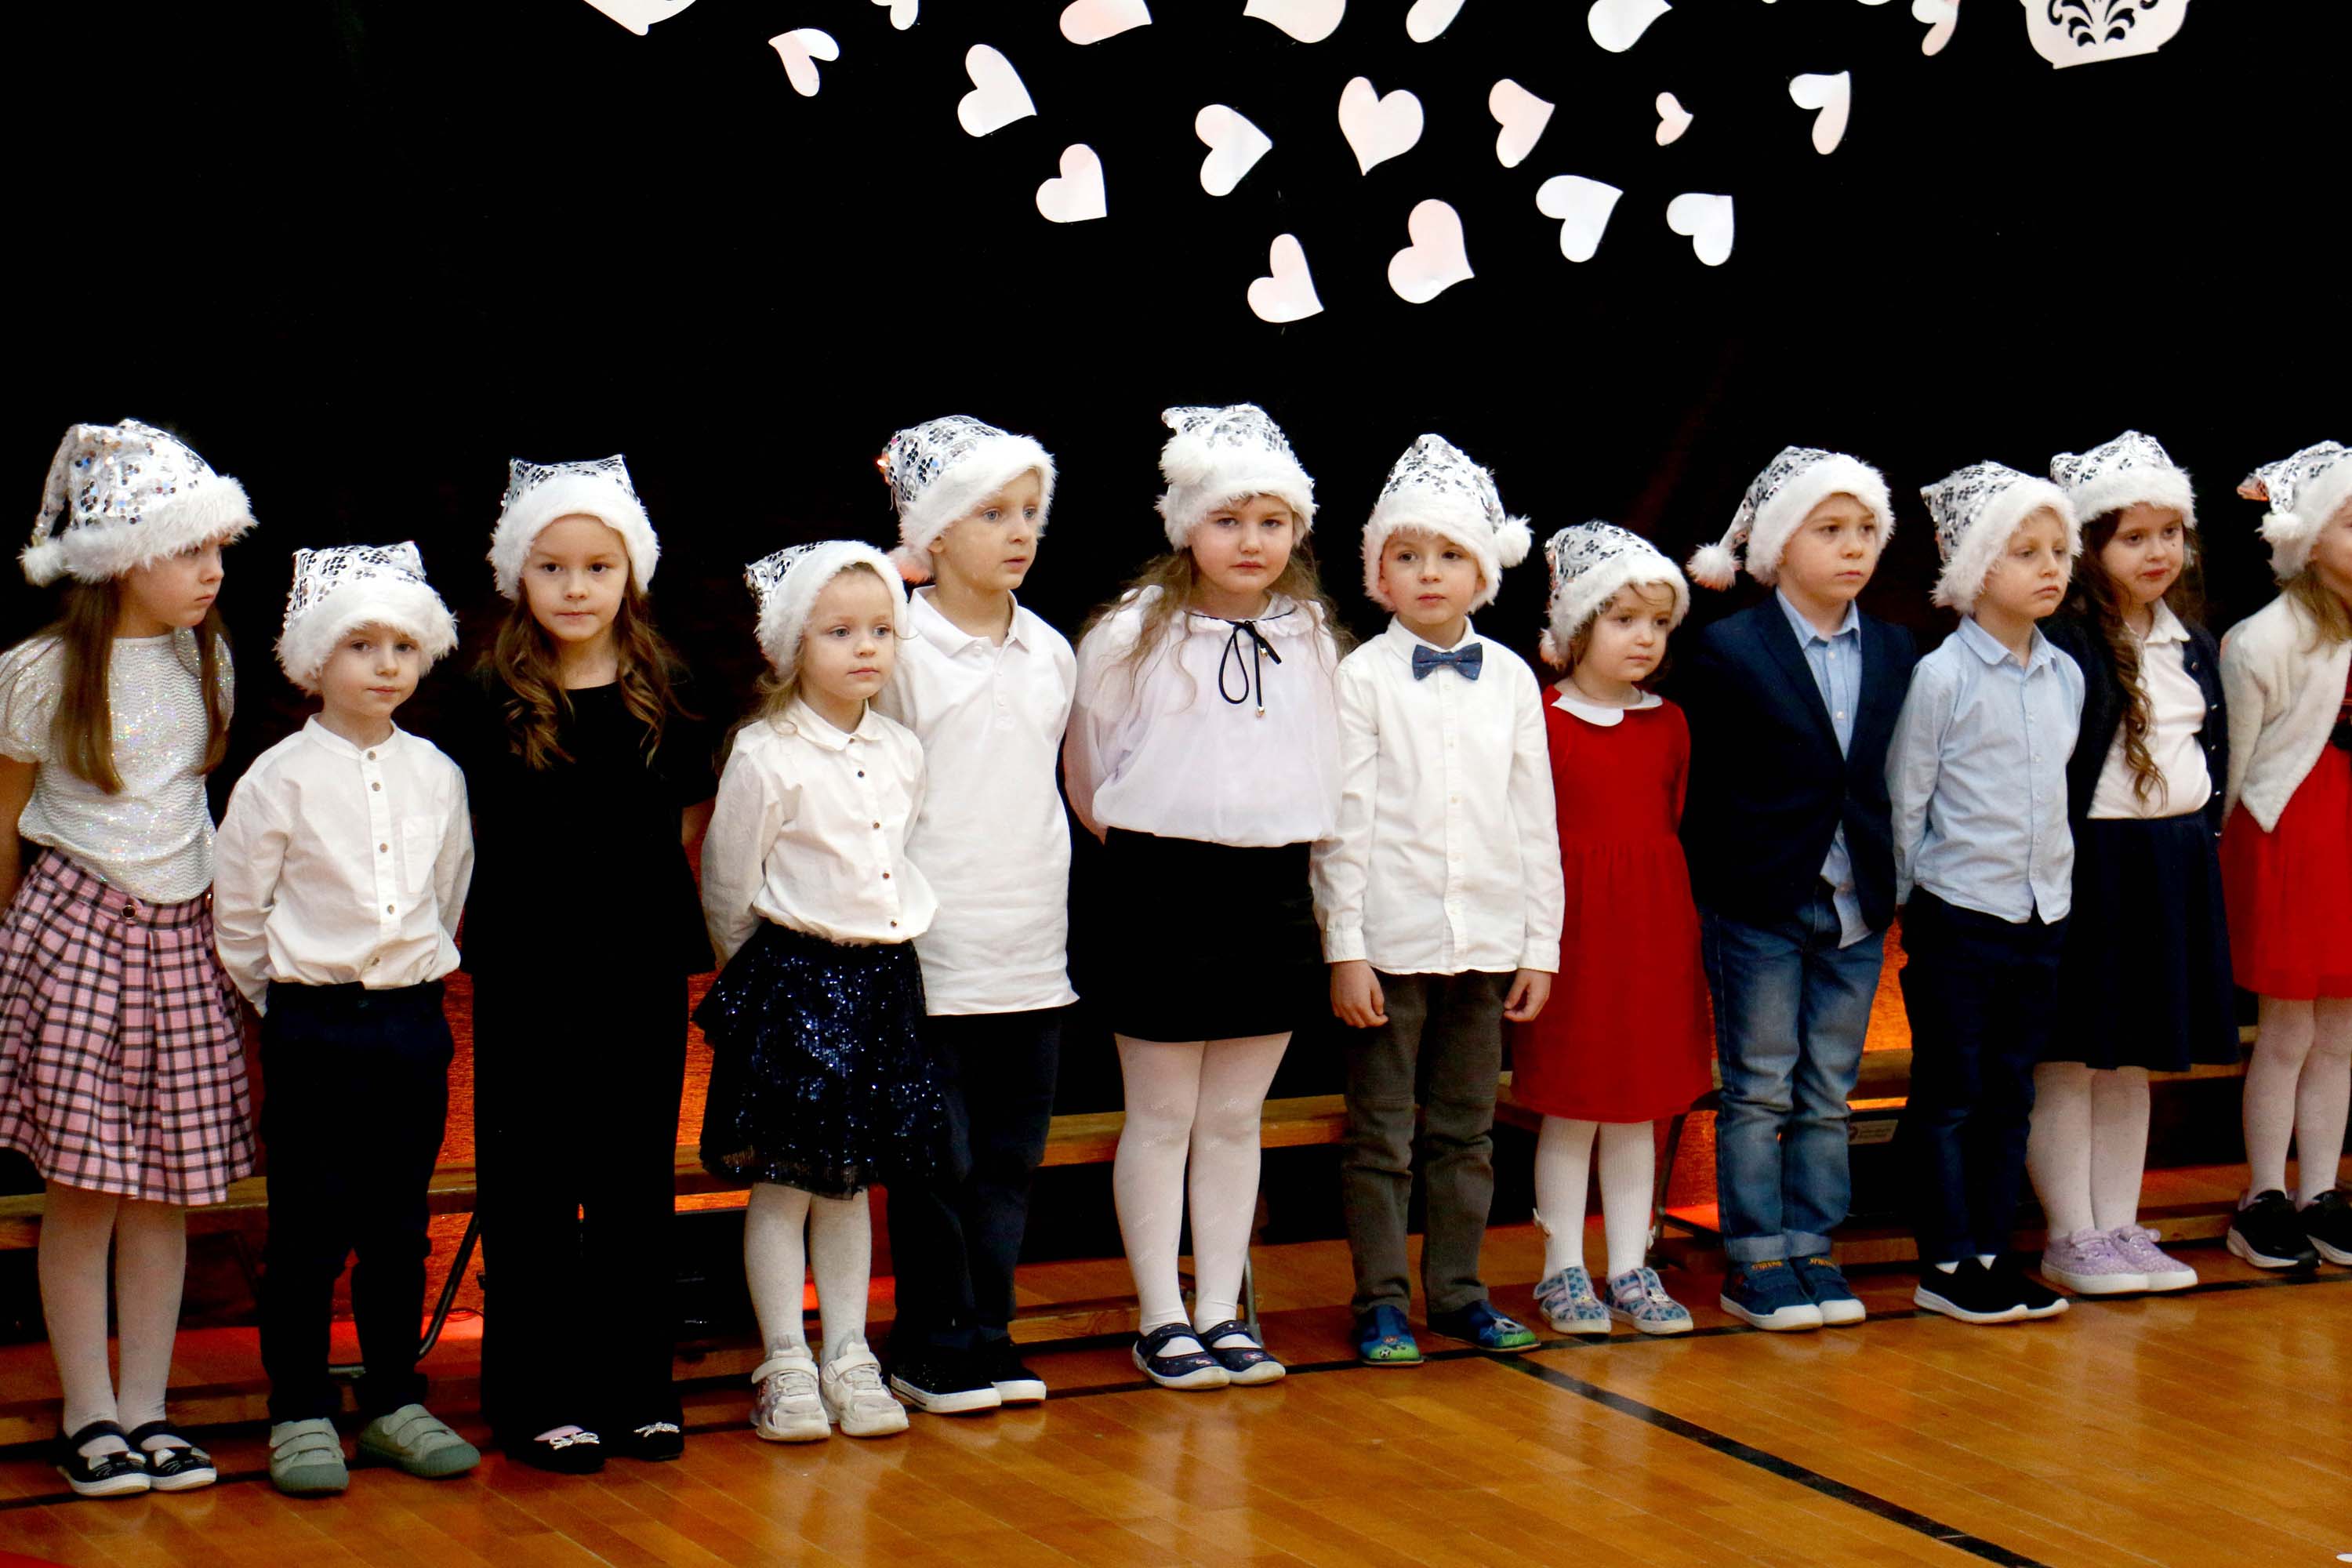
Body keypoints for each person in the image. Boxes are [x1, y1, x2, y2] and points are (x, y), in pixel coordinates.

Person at [441, 454, 717, 1471]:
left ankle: (638, 1387)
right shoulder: (486, 693)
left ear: (629, 572)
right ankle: (535, 1396)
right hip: (528, 966)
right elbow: (463, 827)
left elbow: (688, 818)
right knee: (531, 1183)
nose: (574, 588)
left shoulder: (667, 684)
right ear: (519, 574)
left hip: (637, 963)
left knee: (634, 1181)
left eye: (597, 567)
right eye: (551, 567)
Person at [0, 419, 255, 1497]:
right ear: (120, 559)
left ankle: (149, 1409)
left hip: (182, 938)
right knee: (84, 1189)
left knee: (165, 1192)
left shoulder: (208, 656)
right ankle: (88, 1413)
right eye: (188, 549)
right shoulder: (42, 669)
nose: (212, 570)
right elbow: (6, 817)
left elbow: (193, 799)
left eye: (218, 548)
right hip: (78, 933)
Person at [1065, 404, 1343, 1389]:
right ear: (1188, 525)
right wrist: (1160, 848)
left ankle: (1223, 1308)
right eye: (1229, 521)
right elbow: (1090, 773)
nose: (1251, 541)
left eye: (1272, 522)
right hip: (1161, 885)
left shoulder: (1310, 634)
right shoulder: (1131, 633)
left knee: (1234, 1116)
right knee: (1161, 1113)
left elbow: (1328, 768)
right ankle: (1162, 1315)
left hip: (1271, 891)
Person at [214, 542, 481, 1494]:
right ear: (313, 658)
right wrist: (289, 1007)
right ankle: (298, 1406)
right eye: (360, 644)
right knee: (309, 1228)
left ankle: (395, 1398)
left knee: (398, 1224)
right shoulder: (278, 777)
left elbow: (448, 891)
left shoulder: (438, 773)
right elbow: (239, 914)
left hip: (411, 1024)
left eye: (402, 645)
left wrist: (403, 984)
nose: (385, 664)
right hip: (313, 1027)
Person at [1312, 434, 1558, 1365]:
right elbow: (1343, 822)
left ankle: (1458, 1291)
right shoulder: (1362, 677)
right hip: (1392, 940)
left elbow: (1534, 818)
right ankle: (1380, 1299)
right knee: (1381, 1134)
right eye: (1407, 554)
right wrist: (1346, 946)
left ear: (1482, 570)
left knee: (1467, 1131)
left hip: (1486, 941)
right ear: (1378, 570)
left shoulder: (1513, 679)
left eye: (1450, 553)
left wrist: (1541, 945)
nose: (1428, 573)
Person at [699, 539, 949, 1441]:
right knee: (784, 1182)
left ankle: (849, 1350)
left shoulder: (901, 749)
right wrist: (763, 987)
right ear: (792, 644)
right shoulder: (766, 752)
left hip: (881, 981)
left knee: (848, 1184)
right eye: (839, 631)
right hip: (793, 983)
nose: (865, 646)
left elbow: (895, 856)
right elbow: (729, 884)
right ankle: (785, 1359)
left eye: (880, 628)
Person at [1680, 447, 1917, 1330]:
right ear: (1780, 546)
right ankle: (1756, 1258)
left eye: (1866, 530)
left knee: (1828, 1088)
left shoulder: (1894, 646)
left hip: (1856, 902)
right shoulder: (1732, 648)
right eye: (1830, 530)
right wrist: (1732, 888)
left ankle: (1814, 1244)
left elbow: (1890, 774)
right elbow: (1706, 790)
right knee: (1759, 1085)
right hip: (1762, 902)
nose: (1853, 547)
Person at [870, 416, 1078, 1414]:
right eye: (992, 512)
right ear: (936, 531)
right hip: (930, 947)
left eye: (1030, 511)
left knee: (1007, 1161)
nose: (1019, 531)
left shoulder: (1049, 650)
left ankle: (991, 1329)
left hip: (1030, 949)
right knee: (935, 1161)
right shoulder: (898, 648)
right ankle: (930, 1339)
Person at [2028, 433, 2232, 1294]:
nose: (2158, 552)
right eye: (2133, 537)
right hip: (2096, 864)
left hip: (2170, 863)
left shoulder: (2190, 641)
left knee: (2133, 1057)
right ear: (2090, 548)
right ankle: (2070, 1232)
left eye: (2170, 534)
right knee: (2073, 1054)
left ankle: (2119, 1223)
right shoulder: (2067, 644)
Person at [1888, 461, 2085, 1325]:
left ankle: (1994, 1253)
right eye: (2024, 552)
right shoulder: (1944, 676)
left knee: (2011, 1090)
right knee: (1950, 1091)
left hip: (2040, 914)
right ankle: (1943, 1260)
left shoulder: (2066, 673)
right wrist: (1913, 902)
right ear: (1975, 566)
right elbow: (1909, 796)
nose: (2049, 568)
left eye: (2059, 552)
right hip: (1960, 914)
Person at [1515, 524, 1712, 1338]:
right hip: (1575, 937)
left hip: (1653, 935)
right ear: (1577, 625)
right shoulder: (1543, 719)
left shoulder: (1670, 723)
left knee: (1641, 1107)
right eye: (1624, 619)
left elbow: (1670, 817)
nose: (1645, 638)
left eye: (1659, 623)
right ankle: (1562, 1266)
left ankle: (1632, 1263)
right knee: (1575, 1103)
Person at [2219, 441, 2352, 1270]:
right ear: (2307, 538)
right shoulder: (2264, 639)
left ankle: (2323, 1189)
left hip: (2347, 843)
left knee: (2341, 1028)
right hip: (2291, 840)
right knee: (2287, 1027)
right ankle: (2264, 1191)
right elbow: (2236, 764)